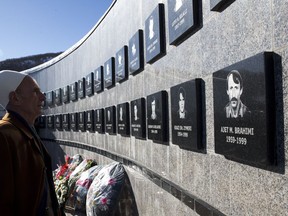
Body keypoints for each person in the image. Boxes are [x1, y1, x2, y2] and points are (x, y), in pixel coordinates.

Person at [0, 70, 63, 215]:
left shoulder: (24, 130)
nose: (42, 97)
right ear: (15, 98)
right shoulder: (4, 135)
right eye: (35, 92)